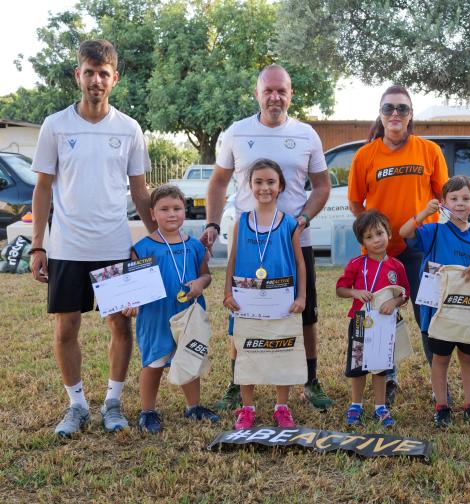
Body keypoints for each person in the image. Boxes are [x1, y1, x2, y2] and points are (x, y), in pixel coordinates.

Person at [29, 40, 155, 437]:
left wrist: (159, 238)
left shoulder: (129, 128)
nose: (96, 80)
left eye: (103, 74)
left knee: (120, 325)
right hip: (67, 247)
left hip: (114, 245)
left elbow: (141, 192)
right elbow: (42, 188)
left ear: (114, 78)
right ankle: (78, 406)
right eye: (89, 72)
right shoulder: (55, 125)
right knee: (66, 328)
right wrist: (38, 244)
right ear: (77, 76)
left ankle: (113, 403)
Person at [204, 64, 332, 412]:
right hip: (250, 244)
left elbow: (322, 187)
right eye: (268, 91)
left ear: (291, 94)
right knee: (243, 311)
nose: (275, 97)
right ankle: (236, 382)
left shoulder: (306, 134)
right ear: (257, 94)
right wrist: (212, 223)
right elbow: (218, 182)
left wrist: (303, 220)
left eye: (281, 91)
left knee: (304, 312)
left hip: (293, 241)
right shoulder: (237, 132)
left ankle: (310, 380)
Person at [348, 84, 449, 405]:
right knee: (382, 316)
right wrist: (372, 235)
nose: (395, 113)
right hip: (379, 254)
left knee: (427, 316)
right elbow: (355, 203)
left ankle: (439, 384)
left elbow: (443, 196)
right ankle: (388, 378)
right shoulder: (365, 155)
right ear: (380, 114)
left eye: (402, 108)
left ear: (410, 114)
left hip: (420, 248)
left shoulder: (428, 150)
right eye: (388, 108)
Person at [399, 176, 470, 428]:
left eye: (465, 198)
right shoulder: (434, 232)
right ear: (444, 202)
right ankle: (441, 406)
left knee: (468, 357)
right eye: (453, 199)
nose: (460, 203)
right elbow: (404, 233)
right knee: (440, 358)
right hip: (438, 309)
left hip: (467, 309)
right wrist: (424, 213)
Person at [123, 185, 219, 433]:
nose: (172, 214)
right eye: (164, 209)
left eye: (177, 208)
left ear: (184, 211)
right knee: (154, 361)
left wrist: (200, 283)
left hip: (188, 312)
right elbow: (133, 286)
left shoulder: (195, 246)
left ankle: (193, 406)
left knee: (189, 357)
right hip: (155, 315)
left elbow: (206, 275)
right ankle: (147, 411)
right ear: (152, 214)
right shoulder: (142, 248)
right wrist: (131, 302)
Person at [223, 159, 306, 429]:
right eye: (258, 181)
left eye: (271, 182)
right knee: (245, 350)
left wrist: (301, 297)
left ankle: (282, 406)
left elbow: (300, 263)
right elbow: (233, 259)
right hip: (246, 302)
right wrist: (227, 292)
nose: (264, 187)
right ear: (250, 185)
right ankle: (247, 407)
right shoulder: (241, 221)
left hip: (281, 301)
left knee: (282, 349)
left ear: (281, 186)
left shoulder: (289, 223)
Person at [336, 210, 409, 428]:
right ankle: (355, 405)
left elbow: (405, 294)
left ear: (389, 234)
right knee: (358, 365)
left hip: (385, 323)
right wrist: (355, 292)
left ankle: (380, 407)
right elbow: (340, 289)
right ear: (362, 242)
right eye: (369, 237)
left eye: (379, 233)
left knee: (381, 366)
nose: (376, 240)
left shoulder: (397, 266)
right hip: (361, 321)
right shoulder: (357, 264)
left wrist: (394, 302)